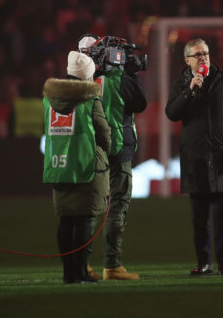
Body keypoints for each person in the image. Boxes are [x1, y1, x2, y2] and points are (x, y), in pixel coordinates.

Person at [165, 38, 223, 276]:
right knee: (199, 217)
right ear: (187, 60)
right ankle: (204, 263)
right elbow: (171, 113)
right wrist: (190, 90)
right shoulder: (182, 84)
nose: (203, 57)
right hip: (196, 160)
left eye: (205, 53)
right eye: (197, 55)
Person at [78, 34, 148, 281]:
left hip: (89, 151)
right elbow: (141, 103)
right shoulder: (121, 79)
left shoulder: (78, 79)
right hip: (119, 149)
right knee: (117, 206)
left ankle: (81, 266)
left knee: (88, 210)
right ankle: (112, 265)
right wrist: (132, 72)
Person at [42, 51, 111, 284]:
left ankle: (67, 273)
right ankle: (80, 272)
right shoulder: (90, 99)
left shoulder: (48, 99)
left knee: (65, 219)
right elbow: (104, 133)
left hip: (58, 165)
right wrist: (106, 150)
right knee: (84, 219)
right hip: (85, 165)